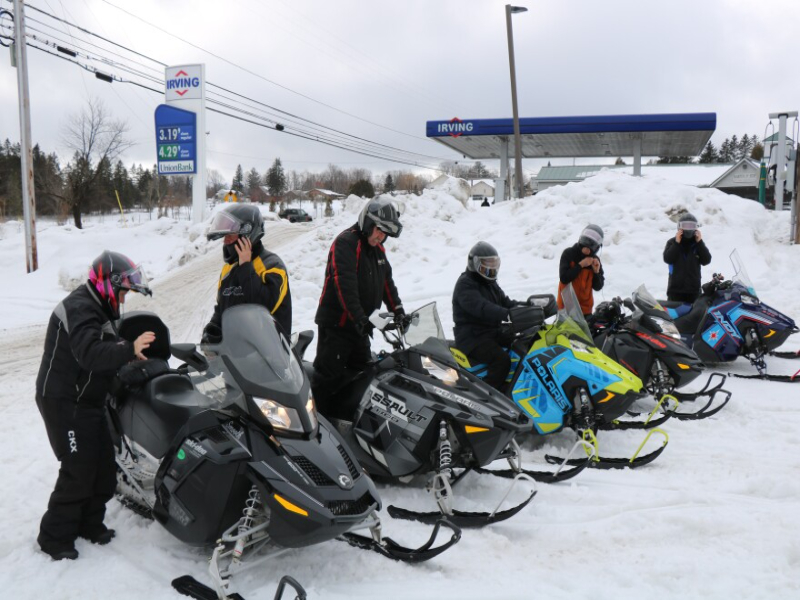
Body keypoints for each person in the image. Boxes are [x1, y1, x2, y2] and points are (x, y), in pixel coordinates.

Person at [35, 251, 154, 561]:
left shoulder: (98, 306)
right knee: (78, 470)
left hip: (87, 399)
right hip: (63, 400)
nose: (125, 299)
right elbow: (89, 353)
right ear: (108, 285)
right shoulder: (80, 307)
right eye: (124, 292)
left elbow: (104, 352)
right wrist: (129, 347)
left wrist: (129, 362)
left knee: (102, 465)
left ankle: (89, 524)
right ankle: (54, 538)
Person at [313, 197, 404, 413]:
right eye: (379, 230)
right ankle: (316, 425)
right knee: (328, 379)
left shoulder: (378, 250)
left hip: (360, 328)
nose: (381, 237)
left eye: (385, 234)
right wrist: (360, 319)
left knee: (363, 378)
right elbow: (344, 286)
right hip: (337, 327)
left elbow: (386, 284)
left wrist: (398, 310)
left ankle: (344, 420)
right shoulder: (346, 243)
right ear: (368, 223)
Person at [203, 203, 292, 341]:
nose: (225, 241)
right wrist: (210, 332)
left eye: (230, 235)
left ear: (247, 234)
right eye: (224, 236)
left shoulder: (273, 266)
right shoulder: (228, 269)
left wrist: (245, 266)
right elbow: (222, 309)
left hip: (268, 355)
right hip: (234, 354)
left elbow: (262, 306)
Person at [452, 241, 517, 391]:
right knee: (501, 360)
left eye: (494, 263)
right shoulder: (465, 285)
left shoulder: (490, 283)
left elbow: (506, 302)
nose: (491, 267)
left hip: (490, 333)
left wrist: (529, 307)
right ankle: (488, 397)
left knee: (522, 343)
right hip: (472, 338)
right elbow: (482, 308)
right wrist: (507, 315)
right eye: (487, 263)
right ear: (474, 264)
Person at [663, 212, 711, 303]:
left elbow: (706, 260)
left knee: (694, 317)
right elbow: (668, 258)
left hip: (694, 291)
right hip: (675, 291)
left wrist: (700, 243)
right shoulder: (672, 242)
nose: (688, 229)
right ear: (679, 227)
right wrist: (677, 243)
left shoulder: (697, 244)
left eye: (691, 226)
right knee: (673, 317)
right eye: (686, 226)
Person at [557, 224, 605, 316]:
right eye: (585, 244)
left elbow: (598, 287)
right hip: (566, 309)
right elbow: (564, 278)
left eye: (590, 246)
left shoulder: (595, 261)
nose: (586, 249)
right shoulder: (569, 253)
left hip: (585, 311)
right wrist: (581, 265)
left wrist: (596, 272)